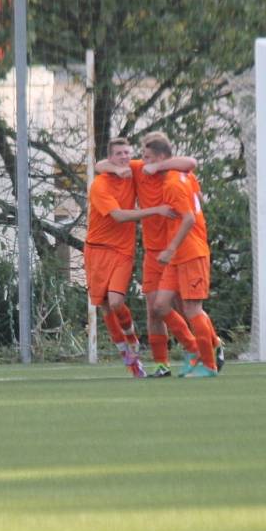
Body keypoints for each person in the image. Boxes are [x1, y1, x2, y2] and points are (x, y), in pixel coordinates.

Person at [95, 134, 207, 377]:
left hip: (177, 250)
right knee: (155, 309)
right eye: (141, 157)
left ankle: (207, 349)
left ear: (160, 158)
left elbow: (191, 163)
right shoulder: (138, 170)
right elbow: (100, 166)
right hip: (153, 251)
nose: (139, 160)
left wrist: (158, 166)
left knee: (185, 305)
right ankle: (162, 363)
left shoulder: (176, 176)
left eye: (146, 157)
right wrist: (117, 167)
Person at [85, 137, 176, 377]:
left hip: (122, 250)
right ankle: (129, 358)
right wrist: (156, 210)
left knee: (116, 301)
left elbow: (180, 162)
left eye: (127, 153)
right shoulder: (100, 185)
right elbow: (118, 216)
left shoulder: (134, 170)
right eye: (119, 154)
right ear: (111, 157)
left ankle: (132, 339)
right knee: (104, 306)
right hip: (96, 248)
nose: (125, 157)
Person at [151, 135, 220, 378]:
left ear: (160, 158)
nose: (146, 163)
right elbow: (200, 200)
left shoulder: (173, 183)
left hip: (190, 252)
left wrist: (170, 248)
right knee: (160, 305)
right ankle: (201, 349)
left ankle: (209, 363)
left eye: (148, 158)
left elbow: (189, 218)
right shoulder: (184, 175)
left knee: (192, 309)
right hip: (179, 254)